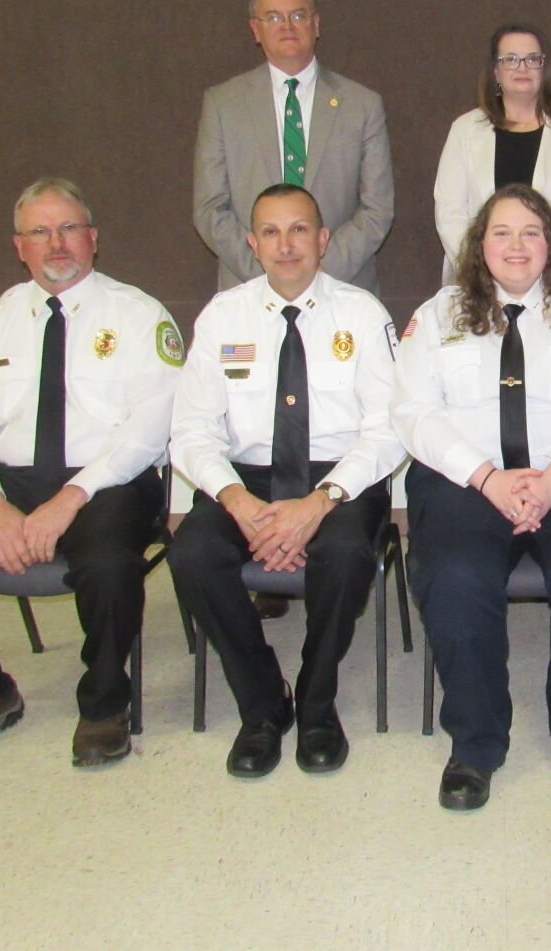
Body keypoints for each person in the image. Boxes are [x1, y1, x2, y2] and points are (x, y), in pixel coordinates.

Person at [0, 178, 181, 768]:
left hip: (109, 481)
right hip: (14, 482)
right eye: (40, 233)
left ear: (93, 239)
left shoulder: (139, 314)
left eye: (69, 229)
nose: (57, 244)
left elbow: (149, 427)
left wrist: (71, 496)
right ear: (20, 247)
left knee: (109, 564)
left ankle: (103, 705)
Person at [393, 184, 551, 812]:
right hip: (467, 479)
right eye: (502, 232)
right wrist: (486, 478)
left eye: (531, 232)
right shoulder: (439, 315)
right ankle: (474, 747)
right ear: (480, 245)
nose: (517, 245)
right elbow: (413, 413)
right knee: (454, 575)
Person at [169, 185, 404, 778]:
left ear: (323, 240)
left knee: (347, 553)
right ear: (252, 244)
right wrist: (238, 501)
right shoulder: (223, 316)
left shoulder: (363, 313)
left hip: (339, 477)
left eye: (299, 229)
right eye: (270, 232)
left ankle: (317, 701)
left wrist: (319, 503)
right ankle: (262, 703)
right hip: (244, 478)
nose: (286, 244)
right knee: (193, 553)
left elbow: (388, 430)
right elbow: (191, 431)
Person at [193, 0, 394, 295]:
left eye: (298, 15)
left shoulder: (362, 105)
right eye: (273, 17)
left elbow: (377, 208)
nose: (287, 25)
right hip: (249, 289)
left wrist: (319, 270)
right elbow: (210, 207)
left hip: (341, 288)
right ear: (255, 30)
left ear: (316, 25)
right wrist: (266, 269)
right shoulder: (223, 104)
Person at [432, 23, 551, 277]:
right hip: (477, 285)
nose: (522, 67)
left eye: (532, 59)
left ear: (544, 69)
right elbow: (450, 212)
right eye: (510, 59)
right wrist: (482, 270)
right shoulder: (464, 130)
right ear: (496, 71)